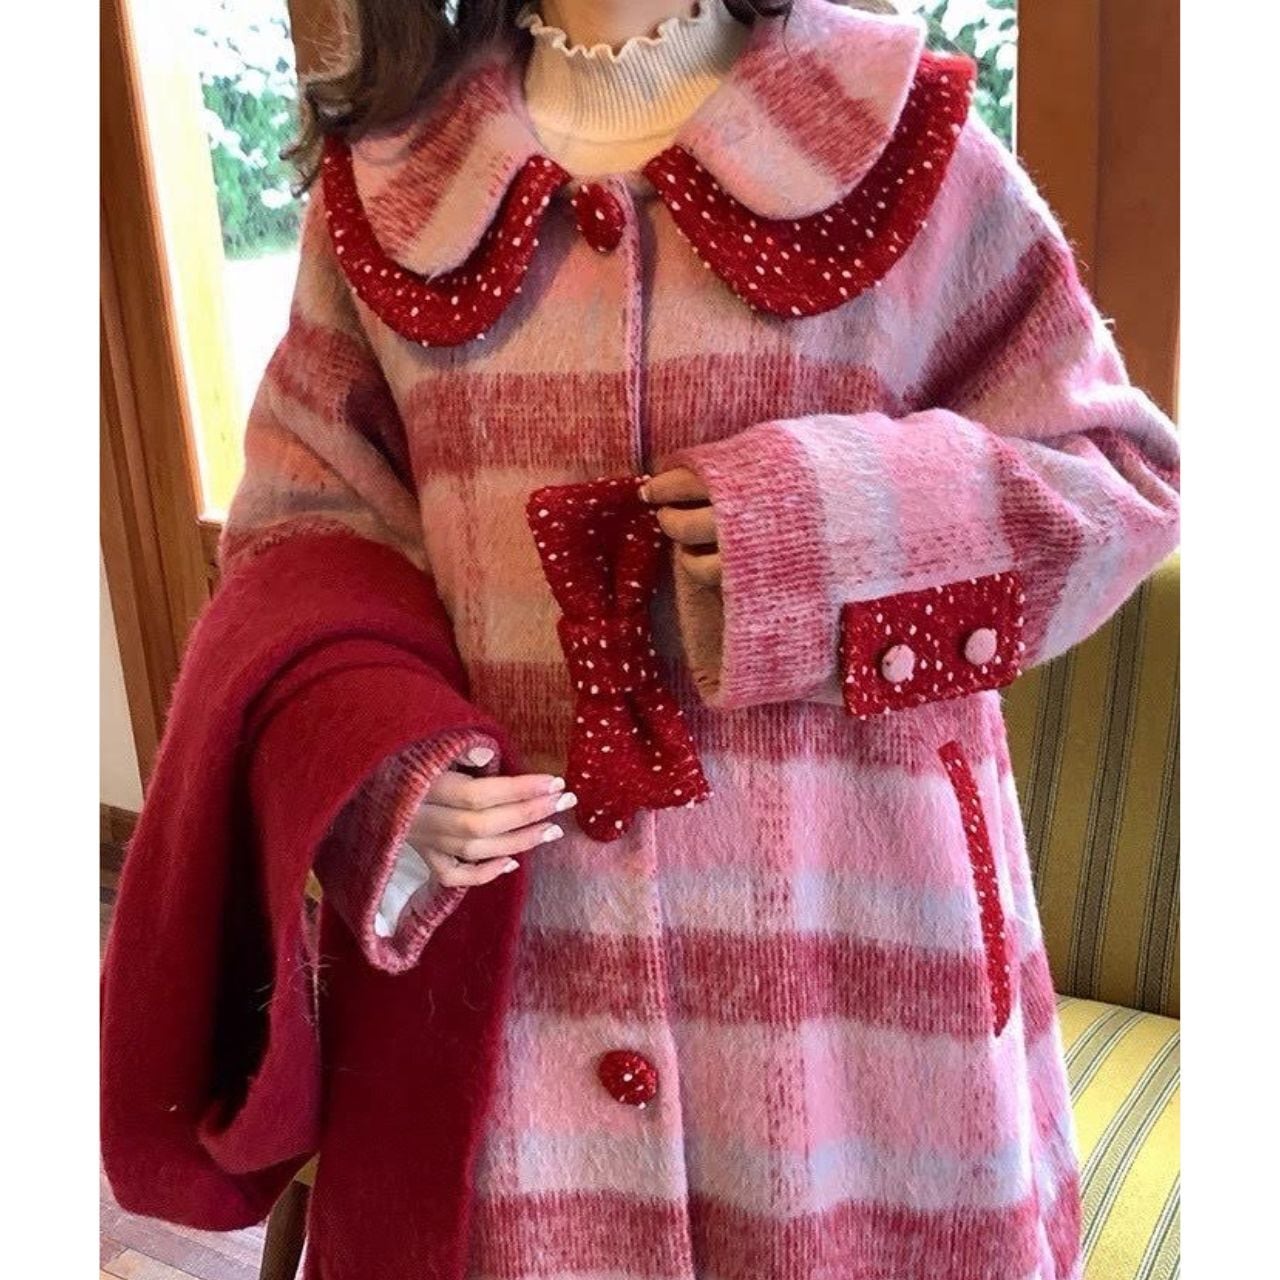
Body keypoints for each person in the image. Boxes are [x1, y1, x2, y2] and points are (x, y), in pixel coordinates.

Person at [101, 2, 1180, 1277]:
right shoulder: (390, 187)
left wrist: (821, 524)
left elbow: (1118, 480)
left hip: (857, 979)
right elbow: (303, 538)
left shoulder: (897, 142)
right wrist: (380, 750)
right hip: (520, 993)